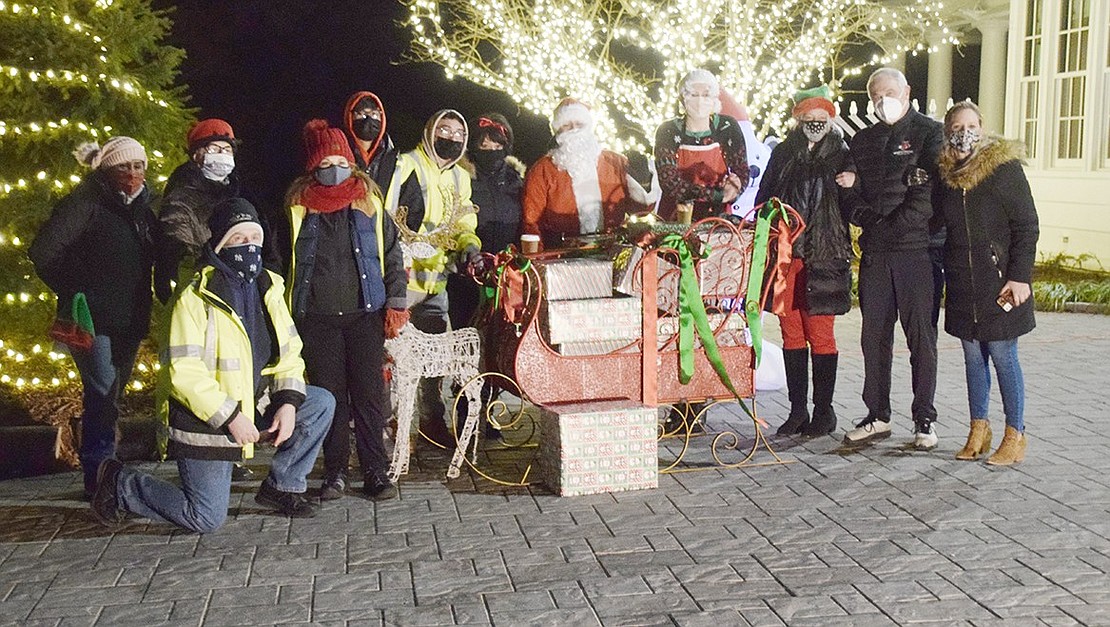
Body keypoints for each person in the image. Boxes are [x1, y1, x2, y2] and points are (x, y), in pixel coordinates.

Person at [89, 199, 334, 531]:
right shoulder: (193, 297)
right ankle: (121, 484)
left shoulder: (270, 289)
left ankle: (282, 486)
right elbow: (182, 372)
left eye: (254, 239)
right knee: (204, 517)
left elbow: (291, 353)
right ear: (219, 243)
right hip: (205, 421)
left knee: (319, 402)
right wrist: (231, 416)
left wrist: (288, 404)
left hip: (252, 401)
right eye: (238, 239)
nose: (249, 247)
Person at [29, 137, 159, 498]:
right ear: (106, 169)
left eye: (138, 166)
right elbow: (43, 252)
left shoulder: (143, 211)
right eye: (123, 167)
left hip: (128, 320)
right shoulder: (85, 204)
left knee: (112, 394)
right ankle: (98, 473)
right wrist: (74, 289)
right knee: (101, 392)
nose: (132, 174)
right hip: (91, 321)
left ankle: (108, 467)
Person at [287, 120, 409, 499]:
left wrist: (396, 302)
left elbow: (392, 255)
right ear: (313, 166)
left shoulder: (369, 203)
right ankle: (335, 471)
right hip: (318, 319)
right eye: (326, 162)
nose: (334, 167)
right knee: (330, 398)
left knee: (370, 396)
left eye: (341, 159)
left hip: (364, 315)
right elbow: (281, 264)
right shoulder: (296, 208)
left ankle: (375, 470)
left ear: (352, 162)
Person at [836, 67, 943, 449]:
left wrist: (885, 229)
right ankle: (877, 414)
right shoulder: (862, 140)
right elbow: (849, 190)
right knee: (874, 337)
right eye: (877, 95)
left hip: (917, 252)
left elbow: (926, 195)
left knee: (921, 339)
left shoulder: (931, 133)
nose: (884, 101)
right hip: (877, 256)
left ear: (907, 90)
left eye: (891, 92)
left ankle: (924, 419)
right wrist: (865, 219)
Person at [937, 101, 1038, 466]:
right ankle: (979, 428)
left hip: (999, 281)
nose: (964, 131)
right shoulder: (946, 176)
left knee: (1001, 354)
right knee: (972, 356)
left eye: (971, 124)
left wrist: (1020, 275)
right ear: (948, 131)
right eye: (957, 125)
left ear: (982, 127)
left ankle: (1016, 434)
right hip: (963, 282)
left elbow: (1026, 225)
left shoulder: (1003, 170)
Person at [755, 85, 853, 437]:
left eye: (821, 118)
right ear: (798, 119)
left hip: (825, 255)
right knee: (791, 333)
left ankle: (824, 412)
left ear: (830, 118)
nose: (815, 123)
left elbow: (853, 208)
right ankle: (797, 410)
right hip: (788, 257)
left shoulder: (843, 154)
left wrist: (852, 186)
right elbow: (765, 197)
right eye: (808, 118)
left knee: (821, 335)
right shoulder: (783, 153)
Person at [385, 110, 481, 447]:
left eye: (458, 133)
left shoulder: (460, 178)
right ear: (429, 131)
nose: (451, 138)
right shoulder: (405, 165)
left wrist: (469, 245)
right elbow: (387, 216)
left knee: (436, 358)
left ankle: (431, 421)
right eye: (444, 130)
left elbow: (464, 222)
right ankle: (393, 424)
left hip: (436, 282)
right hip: (403, 282)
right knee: (394, 359)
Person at [522, 98, 656, 247]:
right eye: (566, 125)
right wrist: (537, 261)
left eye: (580, 124)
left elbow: (640, 212)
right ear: (557, 131)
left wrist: (643, 180)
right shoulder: (543, 170)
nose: (574, 129)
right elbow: (531, 222)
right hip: (562, 255)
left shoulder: (615, 162)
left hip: (610, 251)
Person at [447, 112, 525, 330]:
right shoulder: (460, 176)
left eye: (495, 143)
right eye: (482, 142)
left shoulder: (517, 181)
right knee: (465, 328)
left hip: (507, 272)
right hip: (468, 271)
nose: (488, 146)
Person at [654, 69, 748, 222]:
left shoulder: (727, 127)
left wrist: (735, 187)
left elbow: (742, 169)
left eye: (705, 95)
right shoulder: (668, 131)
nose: (699, 101)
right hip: (676, 218)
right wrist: (716, 195)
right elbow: (669, 181)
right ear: (682, 98)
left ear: (714, 99)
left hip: (717, 218)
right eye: (693, 95)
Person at [342, 91, 399, 191]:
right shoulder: (340, 155)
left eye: (374, 115)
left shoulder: (395, 159)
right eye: (361, 114)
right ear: (350, 117)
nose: (369, 120)